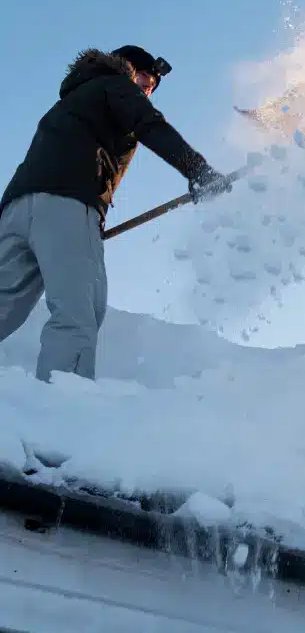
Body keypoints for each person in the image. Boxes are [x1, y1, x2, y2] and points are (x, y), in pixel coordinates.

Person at [0, 45, 230, 383]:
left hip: (15, 211)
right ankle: (62, 417)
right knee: (78, 315)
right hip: (68, 206)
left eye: (150, 87)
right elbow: (149, 124)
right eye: (145, 80)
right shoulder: (116, 85)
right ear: (127, 68)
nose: (146, 91)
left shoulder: (71, 101)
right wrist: (198, 170)